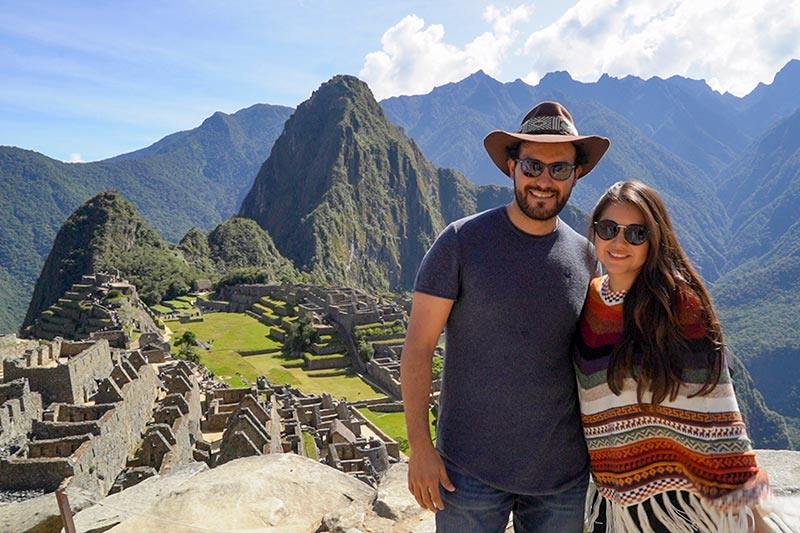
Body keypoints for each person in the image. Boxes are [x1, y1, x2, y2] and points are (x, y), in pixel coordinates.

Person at [400, 101, 610, 532]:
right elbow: (418, 348)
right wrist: (420, 447)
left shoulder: (586, 256)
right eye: (533, 166)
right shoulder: (460, 242)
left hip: (561, 478)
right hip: (467, 473)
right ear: (512, 167)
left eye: (559, 169)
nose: (544, 182)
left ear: (577, 174)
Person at [575, 180, 772, 532]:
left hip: (677, 505)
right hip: (609, 496)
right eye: (608, 229)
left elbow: (716, 408)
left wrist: (750, 512)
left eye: (636, 234)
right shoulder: (589, 298)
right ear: (594, 231)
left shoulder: (678, 306)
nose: (619, 242)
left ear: (655, 239)